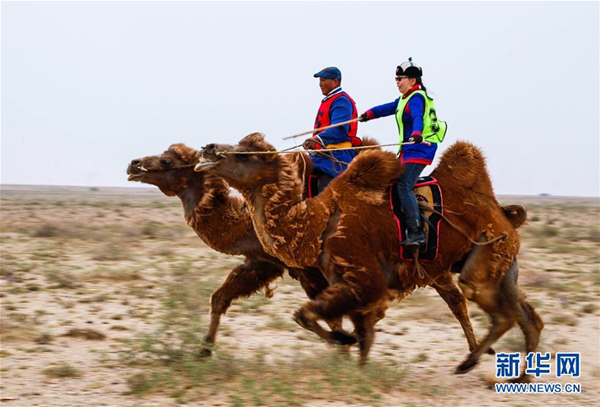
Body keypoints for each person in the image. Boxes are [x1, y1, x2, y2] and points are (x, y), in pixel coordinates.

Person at [359, 58, 447, 248]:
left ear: (413, 81)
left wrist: (416, 133)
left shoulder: (416, 98)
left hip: (419, 149)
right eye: (396, 79)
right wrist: (368, 115)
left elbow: (417, 118)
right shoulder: (404, 99)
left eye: (401, 78)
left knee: (403, 186)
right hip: (409, 149)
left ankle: (416, 233)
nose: (398, 82)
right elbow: (388, 108)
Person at [303, 66, 361, 195]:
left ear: (335, 82)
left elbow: (339, 128)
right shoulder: (329, 100)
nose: (320, 84)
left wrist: (317, 139)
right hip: (322, 156)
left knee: (325, 194)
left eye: (324, 80)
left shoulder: (341, 100)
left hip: (336, 156)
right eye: (320, 80)